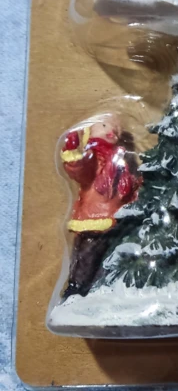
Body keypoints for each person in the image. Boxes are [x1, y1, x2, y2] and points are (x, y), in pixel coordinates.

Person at [60, 114, 140, 299]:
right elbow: (79, 169)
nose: (112, 130)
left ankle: (96, 293)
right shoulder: (94, 157)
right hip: (92, 220)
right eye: (104, 125)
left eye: (116, 129)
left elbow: (126, 189)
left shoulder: (120, 160)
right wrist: (72, 152)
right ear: (90, 131)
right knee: (86, 259)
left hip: (115, 220)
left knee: (107, 261)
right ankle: (75, 292)